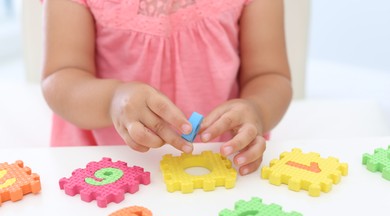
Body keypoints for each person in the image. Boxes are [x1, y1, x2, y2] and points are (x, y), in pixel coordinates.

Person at [41, 0, 292, 175]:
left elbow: (270, 75)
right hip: (101, 168)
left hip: (222, 163)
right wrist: (112, 100)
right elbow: (60, 77)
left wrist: (257, 110)